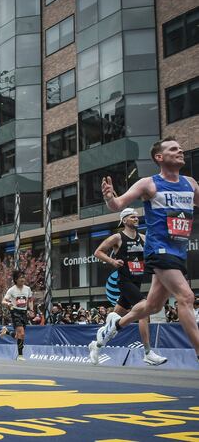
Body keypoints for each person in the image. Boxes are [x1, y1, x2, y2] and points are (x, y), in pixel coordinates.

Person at [93, 137, 199, 361]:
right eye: (173, 149)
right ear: (159, 158)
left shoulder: (190, 183)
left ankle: (114, 325)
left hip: (179, 251)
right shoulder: (148, 184)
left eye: (180, 148)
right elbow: (118, 205)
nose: (180, 150)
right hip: (158, 250)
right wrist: (109, 196)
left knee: (152, 305)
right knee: (186, 296)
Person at [90, 208, 167, 366]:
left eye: (137, 217)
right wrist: (112, 261)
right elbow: (98, 252)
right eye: (133, 217)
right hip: (124, 282)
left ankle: (96, 346)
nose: (136, 219)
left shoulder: (144, 238)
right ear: (124, 220)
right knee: (144, 311)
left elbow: (155, 253)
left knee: (113, 326)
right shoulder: (118, 237)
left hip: (137, 282)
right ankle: (147, 352)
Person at [0, 271, 34, 360]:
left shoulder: (28, 289)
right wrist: (8, 304)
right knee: (21, 333)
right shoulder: (11, 290)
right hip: (15, 312)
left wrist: (31, 310)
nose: (23, 279)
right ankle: (20, 356)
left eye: (23, 277)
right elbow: (3, 301)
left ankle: (6, 332)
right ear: (15, 279)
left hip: (24, 312)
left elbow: (30, 300)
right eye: (20, 278)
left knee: (19, 335)